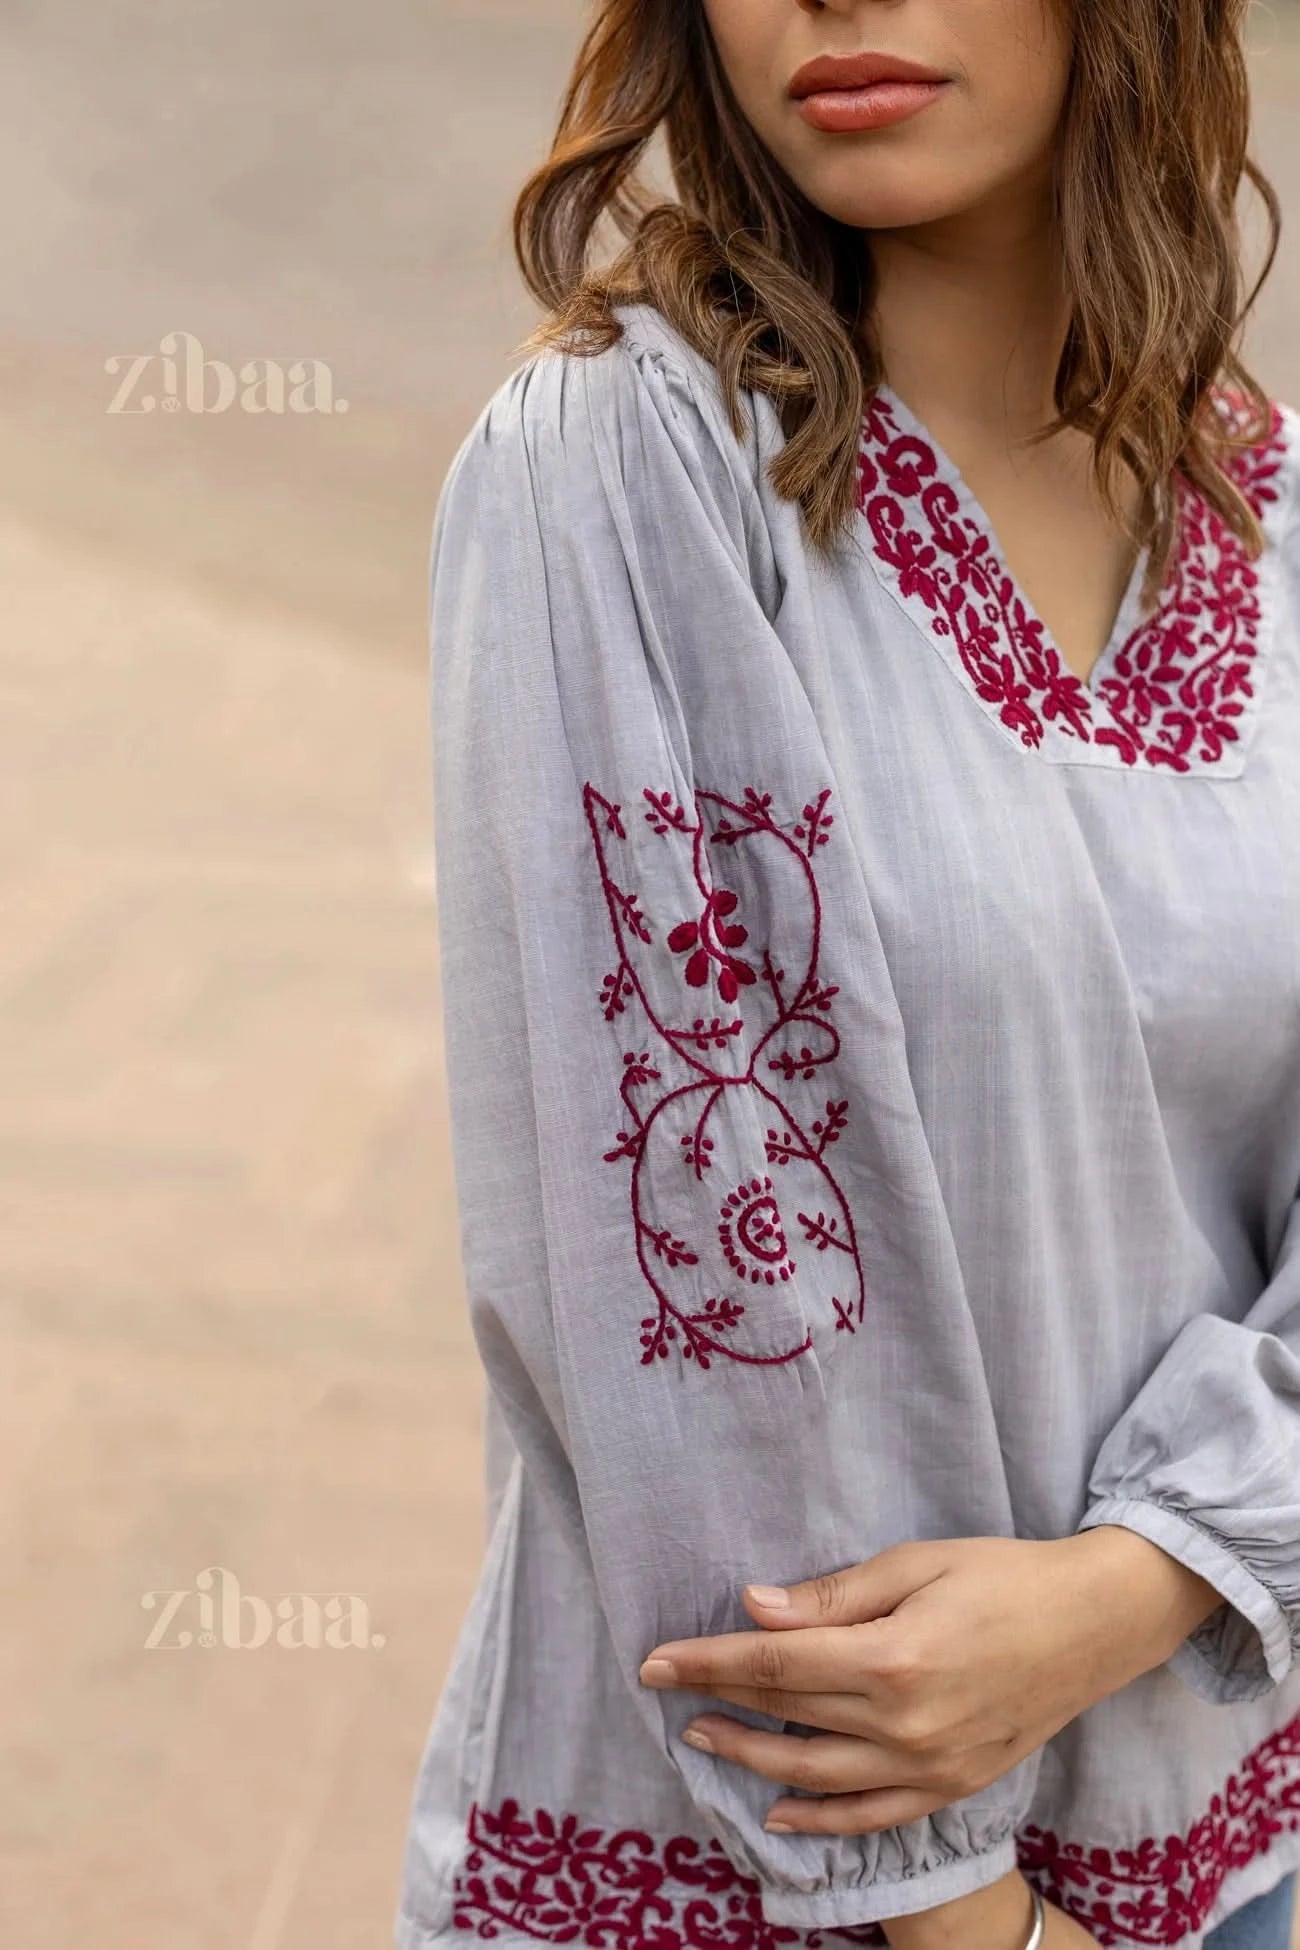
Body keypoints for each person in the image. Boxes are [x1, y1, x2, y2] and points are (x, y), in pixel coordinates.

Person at [396, 3, 1300, 1948]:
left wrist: (1149, 1573)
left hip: (1211, 1838)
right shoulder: (616, 470)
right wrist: (955, 1913)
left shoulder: (1276, 514)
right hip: (759, 1887)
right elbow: (686, 1295)